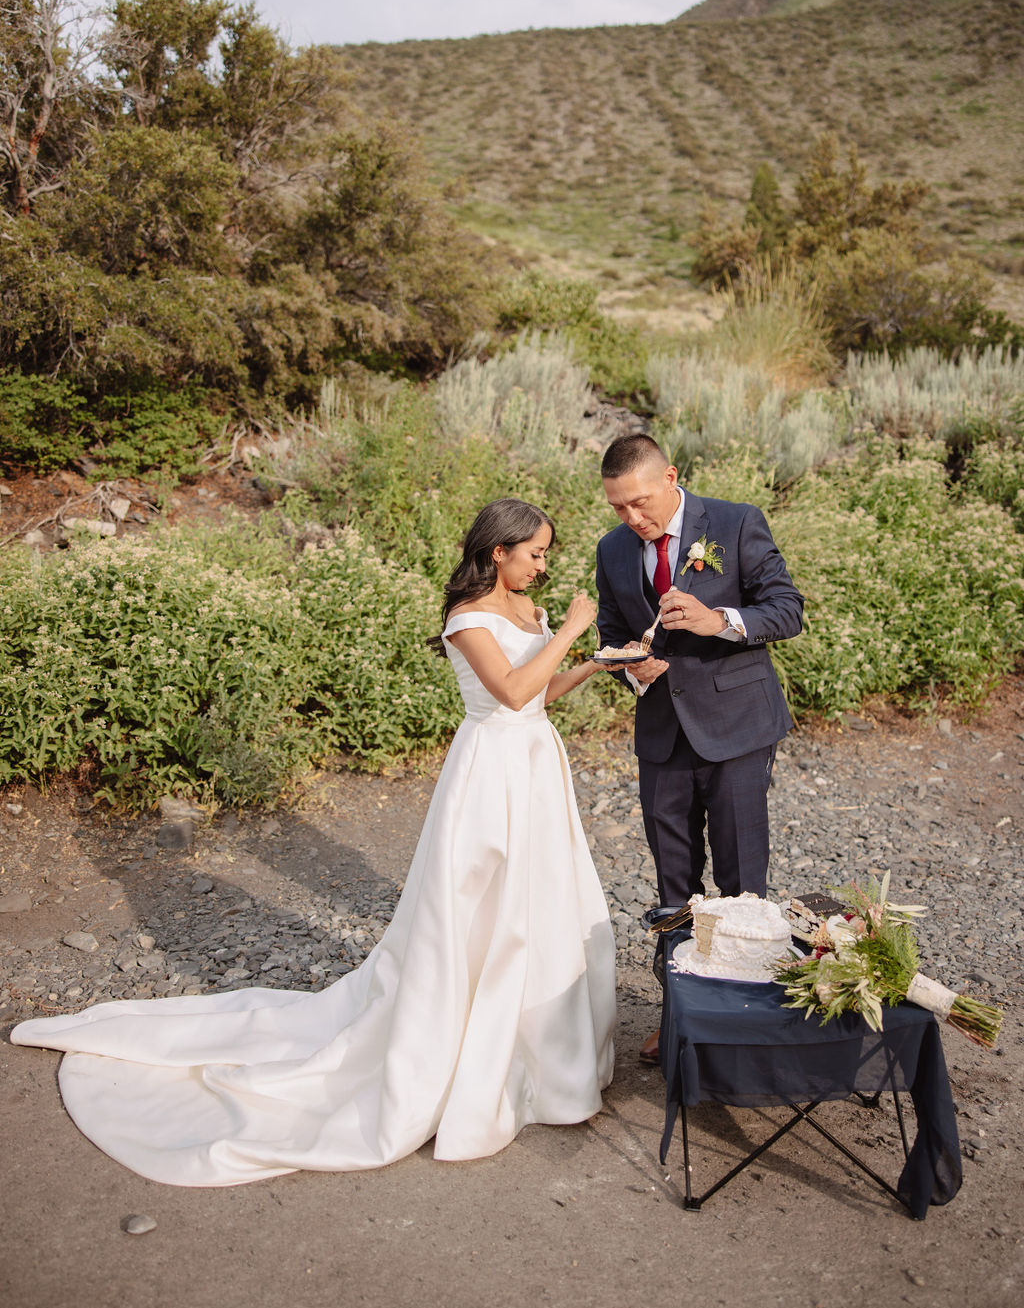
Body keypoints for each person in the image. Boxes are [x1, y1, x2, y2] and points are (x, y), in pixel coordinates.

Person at [11, 499, 616, 1186]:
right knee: (483, 911)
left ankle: (537, 1053)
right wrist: (571, 629)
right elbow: (507, 693)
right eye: (534, 552)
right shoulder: (468, 618)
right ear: (498, 551)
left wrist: (591, 663)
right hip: (489, 774)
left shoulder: (531, 614)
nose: (543, 565)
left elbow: (539, 696)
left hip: (537, 764)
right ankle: (464, 1046)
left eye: (545, 553)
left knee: (539, 902)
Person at [595, 435, 804, 1063]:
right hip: (661, 736)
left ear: (671, 477)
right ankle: (680, 1013)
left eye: (639, 503)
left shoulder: (736, 521)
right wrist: (635, 668)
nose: (632, 519)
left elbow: (786, 610)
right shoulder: (612, 549)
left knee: (742, 877)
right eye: (618, 508)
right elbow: (611, 629)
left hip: (737, 726)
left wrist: (720, 622)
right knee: (672, 883)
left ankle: (748, 1018)